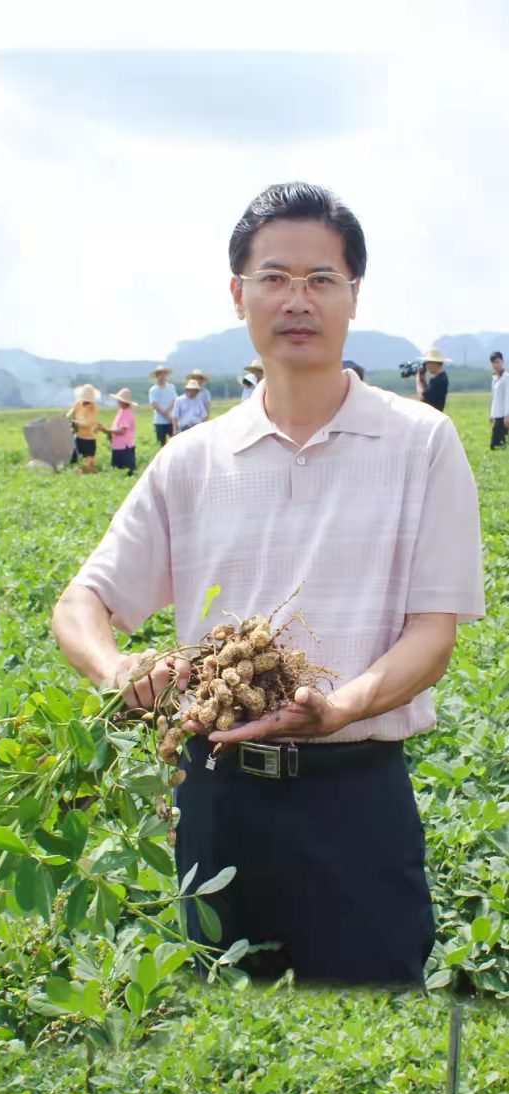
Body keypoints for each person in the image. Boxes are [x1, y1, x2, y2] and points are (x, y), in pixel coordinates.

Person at [52, 180, 484, 989]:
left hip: (355, 795)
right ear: (237, 294)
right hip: (216, 801)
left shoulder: (419, 443)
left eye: (321, 279)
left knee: (373, 1026)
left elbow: (433, 632)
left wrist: (342, 705)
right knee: (223, 1040)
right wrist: (116, 670)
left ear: (354, 294)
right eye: (274, 278)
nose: (297, 299)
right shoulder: (191, 459)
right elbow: (82, 603)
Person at [99, 388, 138, 475]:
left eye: (119, 401)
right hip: (118, 446)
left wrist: (107, 430)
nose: (118, 402)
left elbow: (121, 430)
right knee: (118, 471)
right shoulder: (122, 411)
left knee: (127, 472)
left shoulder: (127, 413)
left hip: (125, 447)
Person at [66, 383, 101, 474]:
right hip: (78, 437)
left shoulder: (93, 408)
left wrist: (76, 423)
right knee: (74, 460)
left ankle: (92, 475)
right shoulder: (78, 404)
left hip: (89, 439)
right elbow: (69, 414)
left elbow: (89, 423)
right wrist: (67, 420)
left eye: (87, 401)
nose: (85, 402)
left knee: (89, 464)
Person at [148, 366, 177, 447]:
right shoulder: (153, 389)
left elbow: (175, 400)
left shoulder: (171, 387)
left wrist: (169, 414)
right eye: (160, 374)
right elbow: (155, 405)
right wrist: (167, 415)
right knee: (161, 445)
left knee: (175, 442)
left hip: (171, 420)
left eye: (164, 374)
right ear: (157, 376)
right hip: (159, 421)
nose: (163, 376)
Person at [488, 351, 509, 450]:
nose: (495, 365)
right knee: (495, 445)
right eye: (493, 363)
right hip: (497, 415)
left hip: (504, 416)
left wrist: (507, 415)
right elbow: (494, 398)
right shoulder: (494, 379)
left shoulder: (507, 378)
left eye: (497, 362)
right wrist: (491, 414)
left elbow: (507, 398)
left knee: (500, 444)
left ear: (502, 361)